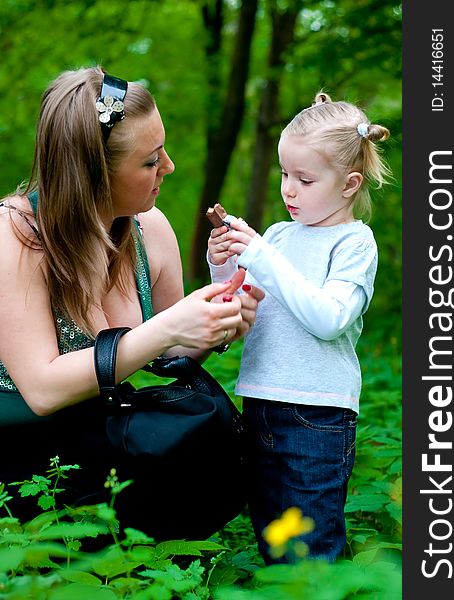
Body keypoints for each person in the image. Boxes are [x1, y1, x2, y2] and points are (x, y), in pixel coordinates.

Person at [0, 66, 264, 537]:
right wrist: (166, 328)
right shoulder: (17, 237)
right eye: (150, 161)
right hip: (21, 468)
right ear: (93, 174)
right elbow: (41, 389)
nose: (169, 168)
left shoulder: (149, 229)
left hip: (103, 450)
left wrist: (217, 322)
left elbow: (166, 356)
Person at [207, 92, 391, 563]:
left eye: (305, 179)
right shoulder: (278, 236)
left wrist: (263, 257)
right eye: (285, 174)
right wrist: (223, 265)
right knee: (274, 537)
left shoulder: (354, 242)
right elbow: (239, 304)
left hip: (319, 415)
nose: (289, 189)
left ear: (349, 184)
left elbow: (328, 319)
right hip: (261, 402)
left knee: (311, 546)